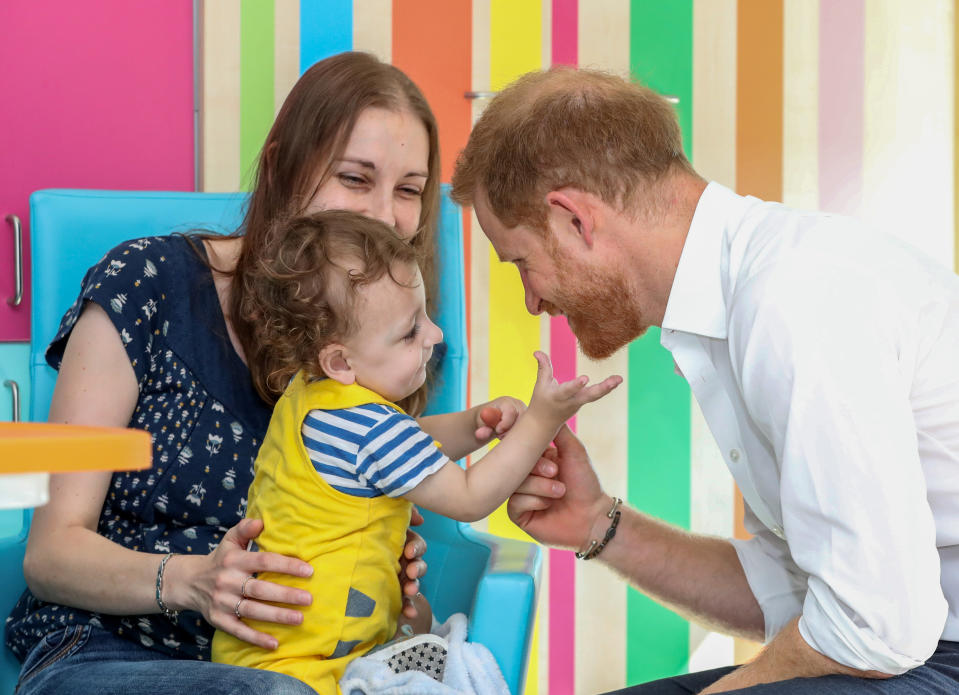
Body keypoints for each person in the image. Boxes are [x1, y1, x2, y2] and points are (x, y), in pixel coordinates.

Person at [4, 51, 520, 695]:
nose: (384, 215)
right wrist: (191, 581)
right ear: (280, 169)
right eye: (356, 178)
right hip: (106, 653)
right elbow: (51, 554)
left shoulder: (384, 342)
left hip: (307, 667)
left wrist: (385, 594)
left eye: (409, 190)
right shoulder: (147, 287)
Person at [450, 66, 959, 694]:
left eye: (520, 263)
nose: (531, 301)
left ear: (574, 220)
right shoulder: (745, 296)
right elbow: (802, 592)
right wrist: (595, 523)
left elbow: (874, 628)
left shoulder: (792, 299)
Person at [209, 210, 620, 693]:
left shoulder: (313, 399)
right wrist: (542, 420)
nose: (435, 335)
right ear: (340, 360)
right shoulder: (366, 427)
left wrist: (472, 427)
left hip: (258, 655)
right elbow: (469, 496)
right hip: (306, 668)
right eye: (410, 332)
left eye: (425, 316)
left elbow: (404, 440)